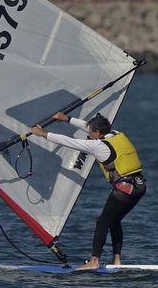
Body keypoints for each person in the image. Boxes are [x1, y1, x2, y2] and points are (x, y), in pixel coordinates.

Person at [29, 112, 145, 271]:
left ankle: (94, 261)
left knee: (102, 222)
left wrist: (42, 134)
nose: (89, 134)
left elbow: (69, 142)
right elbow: (88, 126)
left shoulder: (98, 146)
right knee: (114, 220)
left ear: (97, 133)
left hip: (123, 190)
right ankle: (117, 260)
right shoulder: (115, 134)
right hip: (139, 186)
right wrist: (67, 119)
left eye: (91, 132)